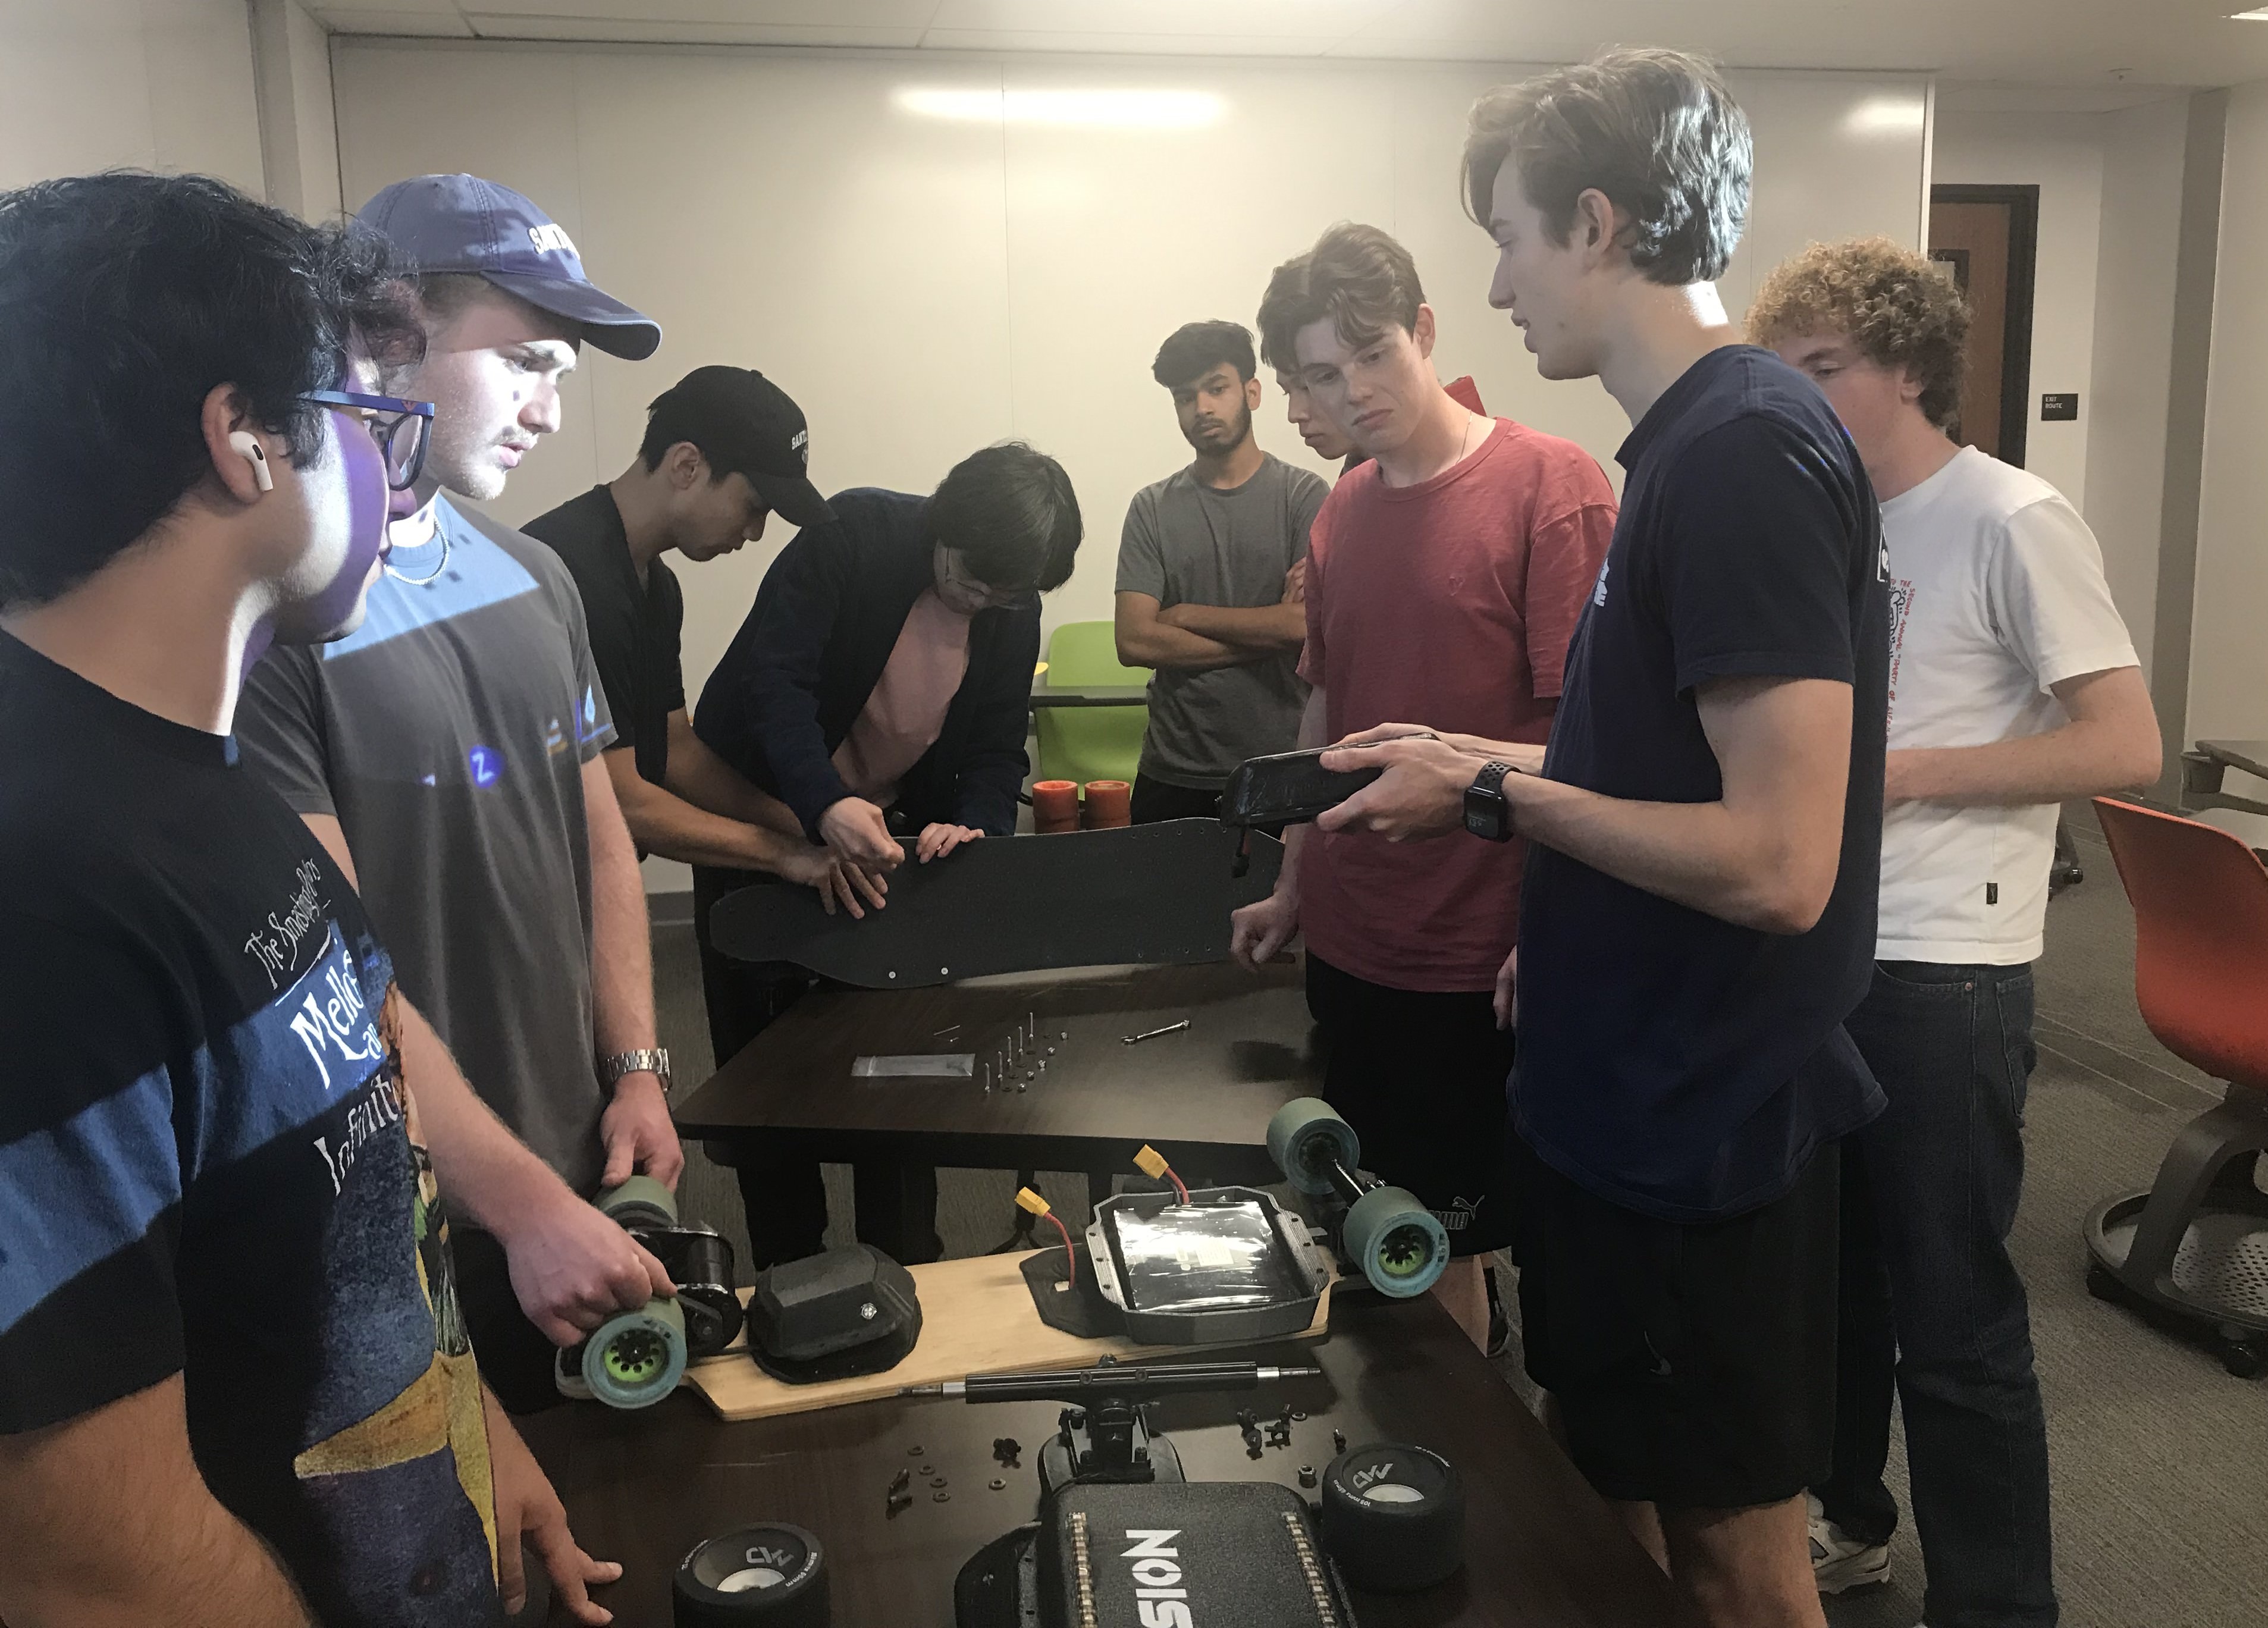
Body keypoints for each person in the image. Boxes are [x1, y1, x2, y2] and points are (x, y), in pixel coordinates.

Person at [0, 171, 627, 1627]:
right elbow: (87, 1561)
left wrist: (472, 1447)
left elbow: (344, 1199)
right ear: (244, 442)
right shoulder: (47, 894)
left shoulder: (200, 783)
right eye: (362, 419)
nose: (389, 471)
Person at [1313, 52, 1890, 1627]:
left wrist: (1489, 796)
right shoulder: (1678, 448)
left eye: (1502, 237)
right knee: (1600, 1507)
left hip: (1701, 1115)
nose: (1490, 286)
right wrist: (1466, 753)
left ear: (1593, 220)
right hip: (1613, 1089)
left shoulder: (1743, 451)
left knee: (1730, 1556)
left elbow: (1778, 860)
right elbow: (1642, 763)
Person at [1751, 237, 2160, 1626]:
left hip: (1950, 968)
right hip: (1822, 948)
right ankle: (1852, 1524)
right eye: (1783, 375)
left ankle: (1995, 1605)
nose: (1800, 401)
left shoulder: (2008, 516)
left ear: (1908, 365)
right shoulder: (1820, 516)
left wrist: (1896, 772)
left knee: (1952, 1314)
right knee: (1838, 1293)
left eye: (1825, 370)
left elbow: (2125, 743)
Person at [237, 172, 683, 1417]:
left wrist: (637, 1066)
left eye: (563, 377)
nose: (548, 411)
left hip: (577, 1149)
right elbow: (331, 972)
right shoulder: (283, 618)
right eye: (526, 362)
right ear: (384, 332)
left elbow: (601, 845)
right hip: (414, 1189)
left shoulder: (537, 576)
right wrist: (519, 1205)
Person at [1231, 223, 1617, 1350]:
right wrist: (1297, 883)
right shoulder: (1343, 507)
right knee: (1385, 1238)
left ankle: (1519, 1504)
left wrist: (1553, 932)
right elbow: (1326, 709)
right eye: (1314, 375)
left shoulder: (1552, 487)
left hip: (1486, 956)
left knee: (1503, 1249)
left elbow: (1595, 749)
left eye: (1369, 356)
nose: (1348, 393)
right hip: (1358, 946)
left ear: (1425, 333)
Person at [693, 441, 1083, 1268]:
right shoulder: (854, 535)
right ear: (944, 521)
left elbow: (992, 750)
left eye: (1004, 594)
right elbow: (776, 684)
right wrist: (823, 803)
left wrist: (976, 824)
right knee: (769, 1074)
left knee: (897, 1057)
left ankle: (906, 1262)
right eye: (971, 580)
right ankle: (790, 1266)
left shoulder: (1010, 606)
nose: (981, 600)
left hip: (884, 843)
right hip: (760, 814)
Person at [522, 365, 886, 917]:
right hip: (514, 876)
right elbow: (622, 798)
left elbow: (674, 753)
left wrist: (813, 816)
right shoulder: (574, 575)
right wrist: (784, 853)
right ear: (687, 465)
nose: (756, 532)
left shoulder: (657, 590)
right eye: (754, 505)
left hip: (575, 872)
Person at [1115, 321, 1328, 822]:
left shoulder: (1305, 497)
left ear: (1252, 393)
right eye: (1185, 397)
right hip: (1172, 771)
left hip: (1284, 768)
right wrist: (1268, 630)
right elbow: (1134, 642)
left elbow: (1303, 627)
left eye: (1216, 389)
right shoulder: (1150, 508)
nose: (1202, 408)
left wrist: (1183, 613)